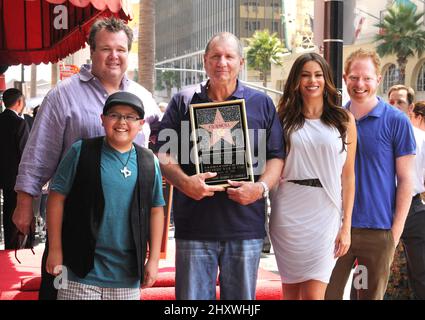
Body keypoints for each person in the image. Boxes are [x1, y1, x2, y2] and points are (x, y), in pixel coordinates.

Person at [12, 17, 162, 300]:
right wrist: (24, 203)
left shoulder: (144, 98)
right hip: (74, 227)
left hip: (125, 233)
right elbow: (38, 153)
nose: (114, 56)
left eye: (121, 49)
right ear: (92, 51)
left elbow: (153, 156)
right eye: (106, 49)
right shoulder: (62, 96)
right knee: (60, 290)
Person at [157, 32, 285, 300]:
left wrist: (260, 188)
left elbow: (276, 156)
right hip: (194, 226)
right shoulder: (183, 101)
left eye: (229, 56)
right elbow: (164, 152)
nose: (222, 62)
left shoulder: (261, 104)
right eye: (215, 56)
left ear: (241, 62)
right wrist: (184, 182)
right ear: (205, 61)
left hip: (244, 226)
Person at [45, 91, 165, 300]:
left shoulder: (148, 161)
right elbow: (56, 198)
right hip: (78, 273)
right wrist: (54, 249)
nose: (121, 122)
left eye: (130, 117)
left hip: (127, 276)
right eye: (114, 115)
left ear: (141, 124)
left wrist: (153, 260)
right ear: (102, 119)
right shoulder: (81, 151)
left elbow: (156, 210)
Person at [325, 49, 416, 300]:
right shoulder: (334, 120)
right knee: (326, 294)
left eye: (366, 78)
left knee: (364, 297)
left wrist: (393, 235)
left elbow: (407, 180)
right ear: (345, 78)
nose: (360, 84)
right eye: (354, 77)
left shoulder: (396, 121)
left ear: (378, 79)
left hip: (376, 231)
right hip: (335, 228)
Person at [269, 53, 357, 300]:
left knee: (313, 295)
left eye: (318, 75)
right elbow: (272, 164)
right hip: (287, 211)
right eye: (305, 75)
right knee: (291, 294)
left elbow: (348, 176)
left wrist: (346, 226)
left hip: (325, 212)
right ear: (296, 80)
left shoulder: (344, 119)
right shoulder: (282, 118)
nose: (312, 80)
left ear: (327, 80)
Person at [386, 86, 425, 300]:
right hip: (382, 207)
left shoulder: (421, 138)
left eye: (399, 102)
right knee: (368, 269)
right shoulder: (379, 134)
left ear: (410, 107)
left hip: (414, 208)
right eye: (390, 102)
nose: (394, 106)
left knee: (420, 271)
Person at [0, 88, 29, 249]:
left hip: (3, 174)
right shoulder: (20, 123)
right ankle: (14, 246)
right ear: (19, 102)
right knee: (15, 209)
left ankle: (7, 244)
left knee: (6, 210)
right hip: (15, 176)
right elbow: (25, 151)